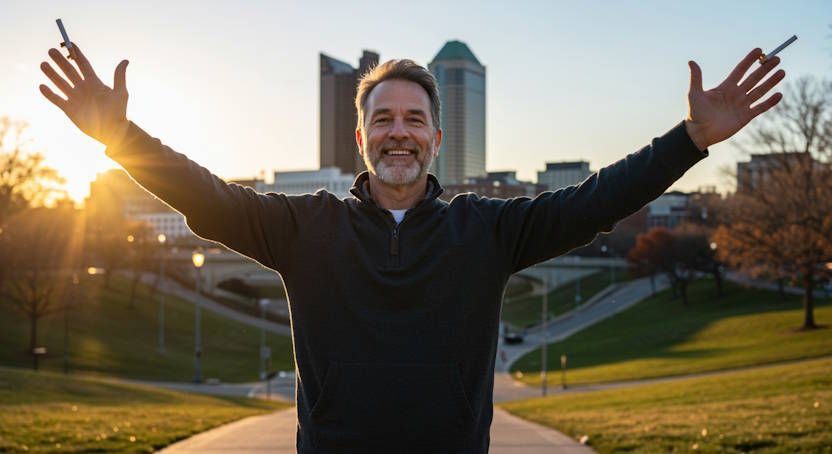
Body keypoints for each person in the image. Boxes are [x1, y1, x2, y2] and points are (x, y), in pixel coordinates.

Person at [39, 43, 785, 453]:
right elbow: (203, 195)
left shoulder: (490, 232)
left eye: (414, 118)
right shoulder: (302, 228)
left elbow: (599, 199)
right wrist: (119, 137)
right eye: (384, 117)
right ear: (361, 138)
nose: (399, 130)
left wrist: (689, 141)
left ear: (436, 136)